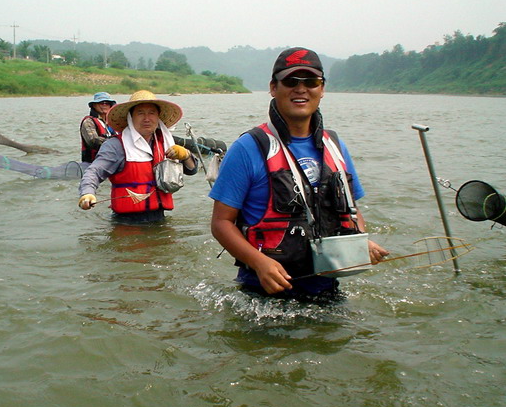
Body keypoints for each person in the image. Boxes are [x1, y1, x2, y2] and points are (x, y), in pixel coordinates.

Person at [209, 47, 389, 299]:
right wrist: (260, 263)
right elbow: (221, 222)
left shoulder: (335, 146)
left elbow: (352, 209)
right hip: (261, 292)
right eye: (291, 81)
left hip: (327, 288)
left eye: (311, 81)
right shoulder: (247, 148)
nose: (301, 89)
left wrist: (358, 242)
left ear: (322, 89)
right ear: (273, 88)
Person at [78, 90, 198, 222]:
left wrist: (186, 155)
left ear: (158, 117)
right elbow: (94, 171)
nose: (147, 118)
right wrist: (87, 193)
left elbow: (192, 170)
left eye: (151, 113)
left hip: (159, 218)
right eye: (140, 113)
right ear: (130, 117)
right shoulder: (116, 145)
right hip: (126, 222)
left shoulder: (164, 142)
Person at [80, 92, 117, 162]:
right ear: (94, 105)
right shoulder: (88, 122)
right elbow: (92, 140)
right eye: (101, 103)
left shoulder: (113, 122)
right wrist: (116, 143)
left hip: (112, 161)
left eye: (107, 103)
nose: (104, 105)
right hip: (93, 164)